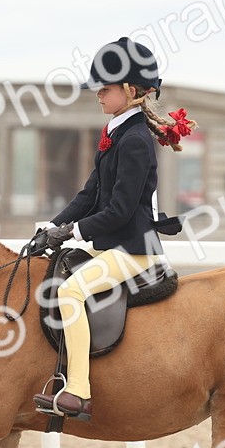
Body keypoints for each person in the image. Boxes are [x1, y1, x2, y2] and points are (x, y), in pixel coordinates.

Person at [32, 37, 196, 420]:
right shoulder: (117, 132)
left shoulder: (136, 140)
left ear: (129, 90)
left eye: (103, 89)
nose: (97, 95)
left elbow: (121, 211)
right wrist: (51, 227)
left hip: (131, 249)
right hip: (110, 243)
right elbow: (90, 193)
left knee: (71, 293)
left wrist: (74, 232)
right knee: (54, 270)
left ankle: (78, 390)